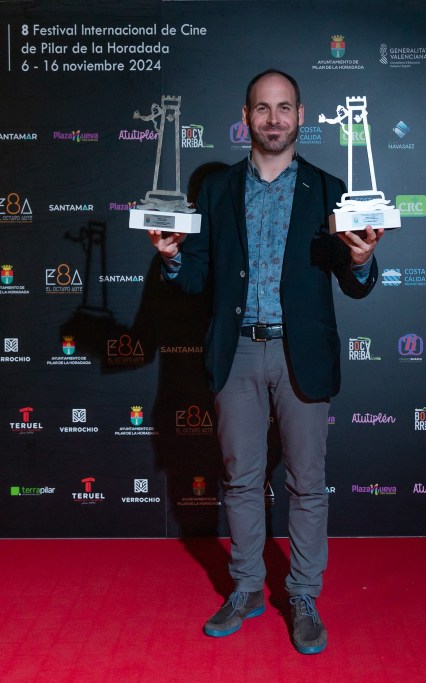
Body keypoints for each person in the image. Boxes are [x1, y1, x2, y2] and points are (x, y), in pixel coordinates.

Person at [147, 68, 383, 655]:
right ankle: (248, 587)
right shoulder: (217, 190)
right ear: (246, 117)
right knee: (241, 479)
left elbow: (353, 283)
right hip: (238, 352)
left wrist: (361, 260)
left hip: (302, 353)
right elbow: (195, 278)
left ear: (300, 116)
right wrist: (171, 257)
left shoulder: (331, 189)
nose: (273, 119)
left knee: (307, 483)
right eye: (262, 108)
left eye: (283, 108)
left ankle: (302, 595)